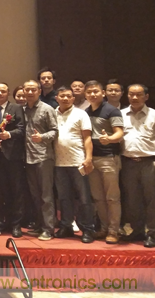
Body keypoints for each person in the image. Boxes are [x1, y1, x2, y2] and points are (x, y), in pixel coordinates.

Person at [83, 80, 124, 243]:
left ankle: (114, 231)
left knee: (112, 197)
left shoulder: (111, 110)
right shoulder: (85, 112)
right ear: (85, 95)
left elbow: (119, 133)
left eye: (96, 91)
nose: (93, 94)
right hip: (91, 159)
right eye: (89, 92)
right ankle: (104, 228)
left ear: (103, 93)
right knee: (98, 197)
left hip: (109, 158)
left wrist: (110, 139)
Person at [53, 86, 95, 243]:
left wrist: (88, 158)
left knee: (84, 198)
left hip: (78, 161)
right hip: (58, 163)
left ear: (73, 98)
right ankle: (66, 225)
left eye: (68, 96)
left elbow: (87, 138)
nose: (65, 98)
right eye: (62, 96)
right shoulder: (52, 113)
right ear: (56, 98)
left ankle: (87, 229)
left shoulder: (81, 114)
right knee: (64, 197)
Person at [120, 84, 155, 248]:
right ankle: (137, 230)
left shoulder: (154, 115)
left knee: (152, 200)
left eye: (139, 94)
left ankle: (153, 233)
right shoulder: (120, 115)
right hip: (128, 163)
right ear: (127, 96)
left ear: (146, 97)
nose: (134, 97)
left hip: (149, 162)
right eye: (131, 94)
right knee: (132, 200)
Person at [0, 83, 26, 237]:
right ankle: (3, 220)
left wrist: (9, 135)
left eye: (2, 91)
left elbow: (22, 129)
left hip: (14, 156)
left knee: (16, 191)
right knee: (1, 191)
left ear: (8, 93)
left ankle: (16, 224)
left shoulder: (16, 108)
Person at [22, 79, 57, 241]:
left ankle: (49, 228)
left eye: (33, 90)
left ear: (39, 91)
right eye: (27, 90)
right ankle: (39, 225)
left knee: (46, 196)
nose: (30, 92)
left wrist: (42, 137)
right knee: (35, 195)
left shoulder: (47, 109)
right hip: (28, 158)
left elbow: (55, 131)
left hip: (43, 157)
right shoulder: (22, 110)